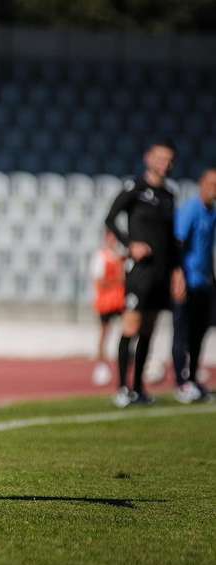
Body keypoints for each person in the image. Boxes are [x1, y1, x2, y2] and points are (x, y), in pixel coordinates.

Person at [104, 140, 185, 408]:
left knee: (149, 330)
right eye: (161, 158)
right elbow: (110, 219)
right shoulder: (135, 188)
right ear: (148, 158)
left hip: (161, 272)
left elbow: (172, 240)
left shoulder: (169, 195)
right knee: (131, 327)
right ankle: (121, 388)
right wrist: (130, 244)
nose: (165, 164)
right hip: (140, 271)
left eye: (169, 160)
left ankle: (139, 387)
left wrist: (177, 271)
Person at [172, 168, 216, 403]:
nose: (214, 190)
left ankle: (194, 376)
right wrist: (178, 276)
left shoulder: (213, 213)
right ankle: (181, 381)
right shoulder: (191, 210)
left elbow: (208, 250)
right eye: (212, 184)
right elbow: (177, 244)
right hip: (186, 282)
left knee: (199, 333)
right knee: (182, 333)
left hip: (204, 283)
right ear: (202, 184)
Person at [89, 229, 126, 386]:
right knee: (104, 333)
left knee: (128, 331)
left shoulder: (121, 256)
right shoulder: (100, 256)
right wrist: (116, 281)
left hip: (120, 300)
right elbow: (99, 280)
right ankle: (101, 365)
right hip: (106, 301)